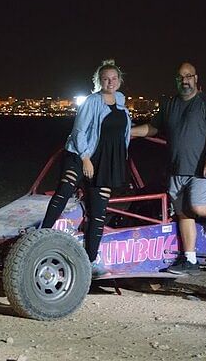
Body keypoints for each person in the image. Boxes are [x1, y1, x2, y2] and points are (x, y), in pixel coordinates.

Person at [130, 62, 206, 275]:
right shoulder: (170, 104)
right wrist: (130, 132)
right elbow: (153, 128)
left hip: (201, 170)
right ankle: (189, 260)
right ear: (176, 81)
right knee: (183, 214)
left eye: (188, 76)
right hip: (176, 170)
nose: (185, 81)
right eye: (181, 77)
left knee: (198, 207)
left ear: (196, 78)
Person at [41, 59, 131, 274]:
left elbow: (123, 133)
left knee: (98, 214)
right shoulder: (92, 101)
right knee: (63, 193)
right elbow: (79, 131)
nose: (110, 82)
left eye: (113, 78)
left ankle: (89, 262)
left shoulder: (121, 102)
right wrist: (85, 158)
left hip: (106, 162)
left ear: (119, 81)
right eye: (105, 79)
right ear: (99, 81)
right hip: (82, 156)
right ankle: (41, 235)